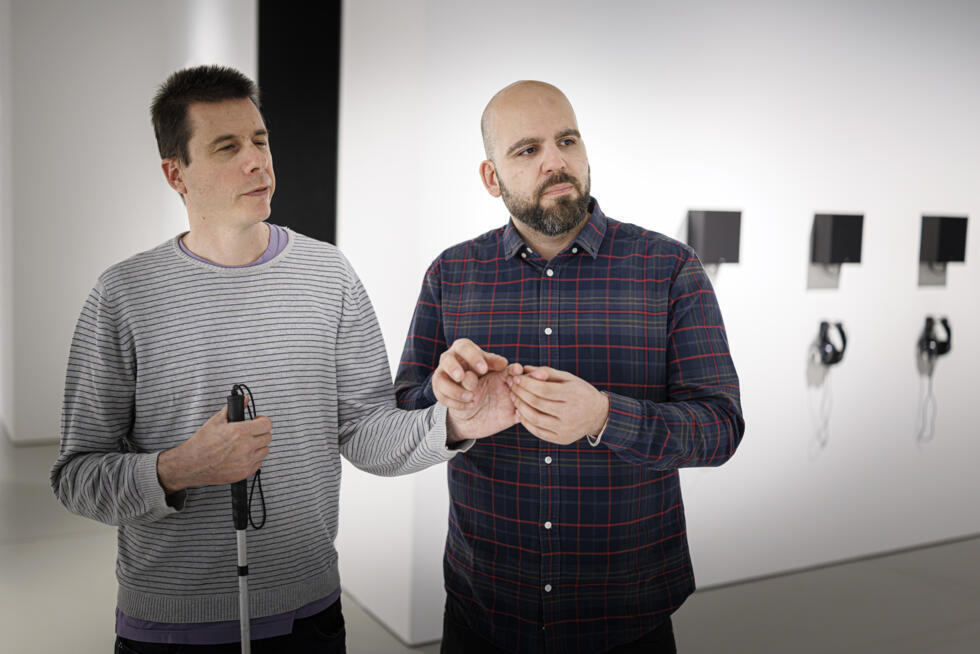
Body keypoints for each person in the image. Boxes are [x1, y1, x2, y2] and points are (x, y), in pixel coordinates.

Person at [50, 65, 503, 654]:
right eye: (227, 147)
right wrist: (178, 467)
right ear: (175, 173)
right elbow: (76, 477)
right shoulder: (124, 295)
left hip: (309, 617)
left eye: (260, 140)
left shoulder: (329, 275)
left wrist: (453, 422)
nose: (256, 162)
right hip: (170, 628)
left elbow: (364, 433)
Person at [394, 81, 745, 653]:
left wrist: (606, 417)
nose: (555, 162)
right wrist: (451, 414)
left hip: (627, 615)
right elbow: (405, 409)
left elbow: (720, 427)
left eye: (567, 140)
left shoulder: (668, 269)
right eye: (527, 150)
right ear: (491, 178)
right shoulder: (452, 275)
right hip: (485, 609)